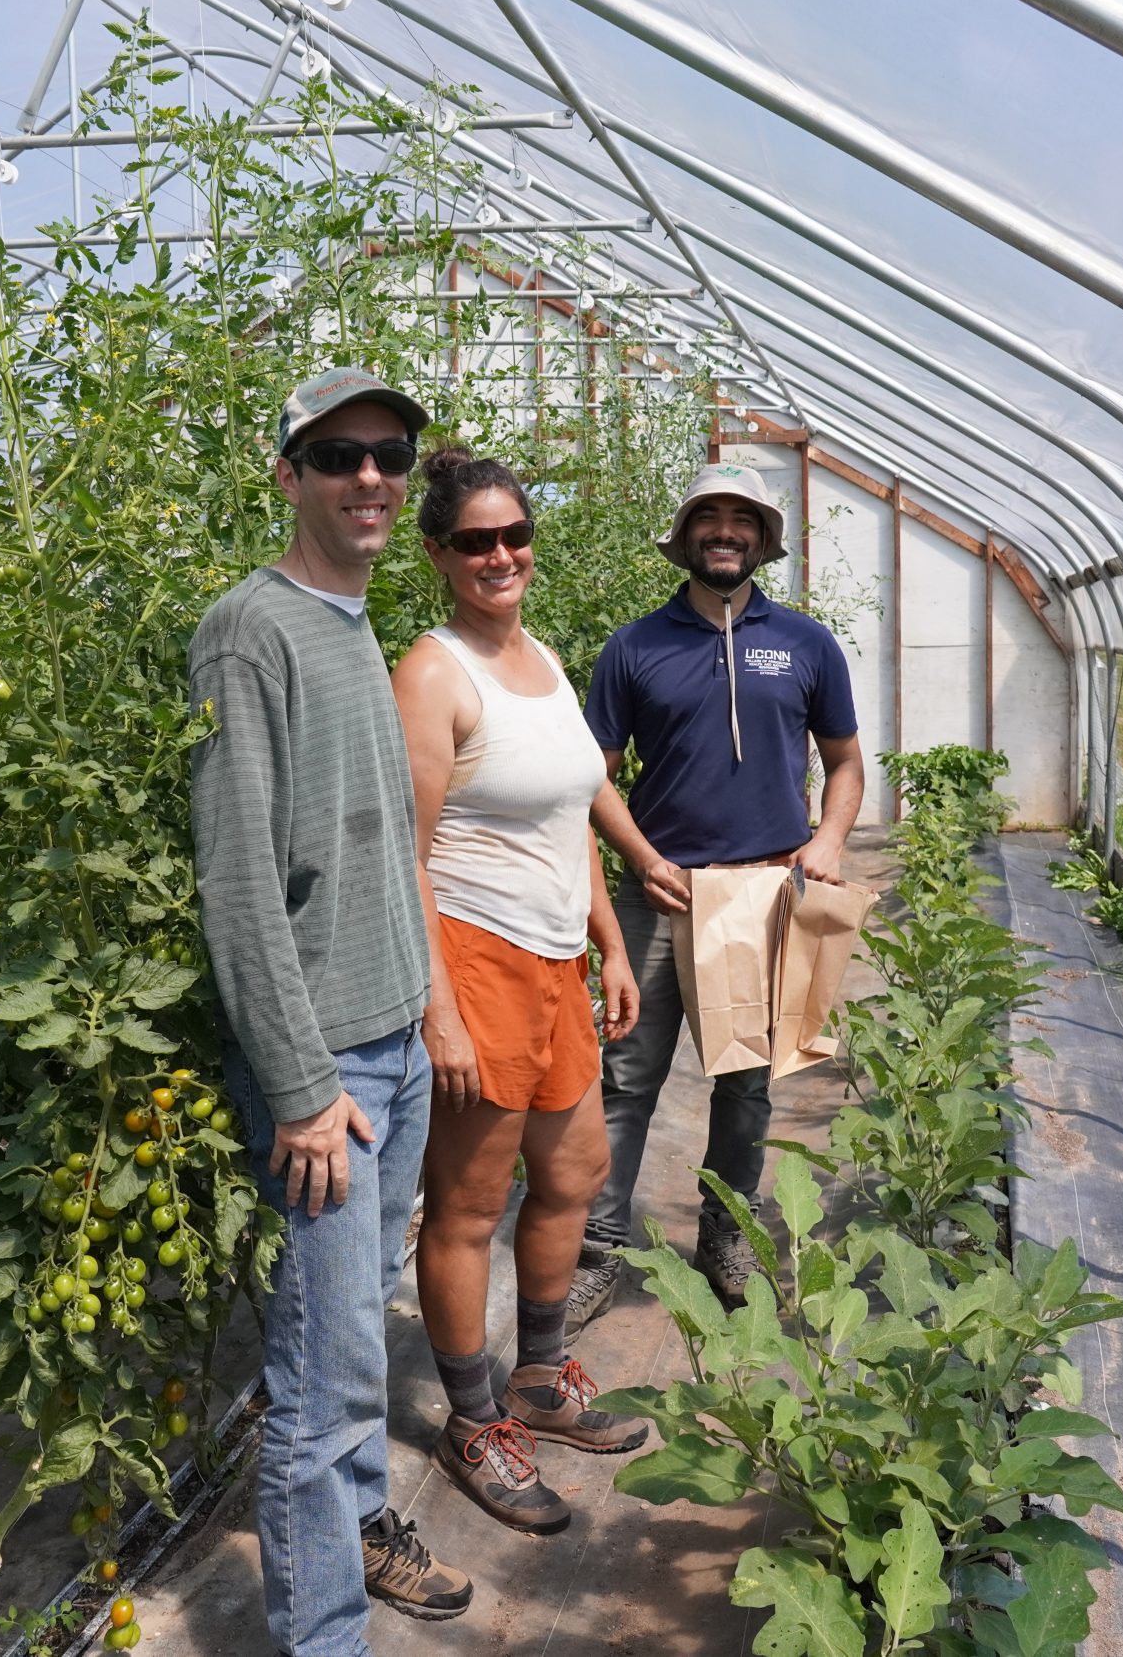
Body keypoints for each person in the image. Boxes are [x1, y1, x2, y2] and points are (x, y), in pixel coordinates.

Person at [190, 367, 473, 1656]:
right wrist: (304, 1089)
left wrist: (422, 1012)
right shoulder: (249, 630)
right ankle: (324, 1636)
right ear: (289, 472)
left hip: (391, 1039)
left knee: (359, 1339)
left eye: (391, 456)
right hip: (328, 1070)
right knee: (320, 1377)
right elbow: (239, 878)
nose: (371, 476)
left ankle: (364, 1535)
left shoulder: (353, 622)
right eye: (341, 453)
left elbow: (376, 851)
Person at [390, 448, 653, 1536]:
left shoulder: (540, 656)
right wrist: (438, 1006)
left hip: (557, 962)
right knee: (466, 1202)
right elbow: (403, 853)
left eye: (512, 535)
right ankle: (471, 1418)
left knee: (577, 1171)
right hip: (478, 956)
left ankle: (540, 1376)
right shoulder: (434, 672)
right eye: (473, 541)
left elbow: (571, 812)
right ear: (438, 554)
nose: (499, 555)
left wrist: (611, 944)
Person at [566, 461, 865, 1324]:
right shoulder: (635, 646)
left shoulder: (805, 644)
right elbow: (596, 776)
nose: (724, 530)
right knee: (625, 1077)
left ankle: (727, 1232)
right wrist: (642, 855)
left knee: (746, 1083)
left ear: (762, 538)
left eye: (742, 517)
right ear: (685, 536)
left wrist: (832, 838)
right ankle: (598, 1248)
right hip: (660, 895)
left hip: (768, 892)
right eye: (709, 516)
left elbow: (844, 763)